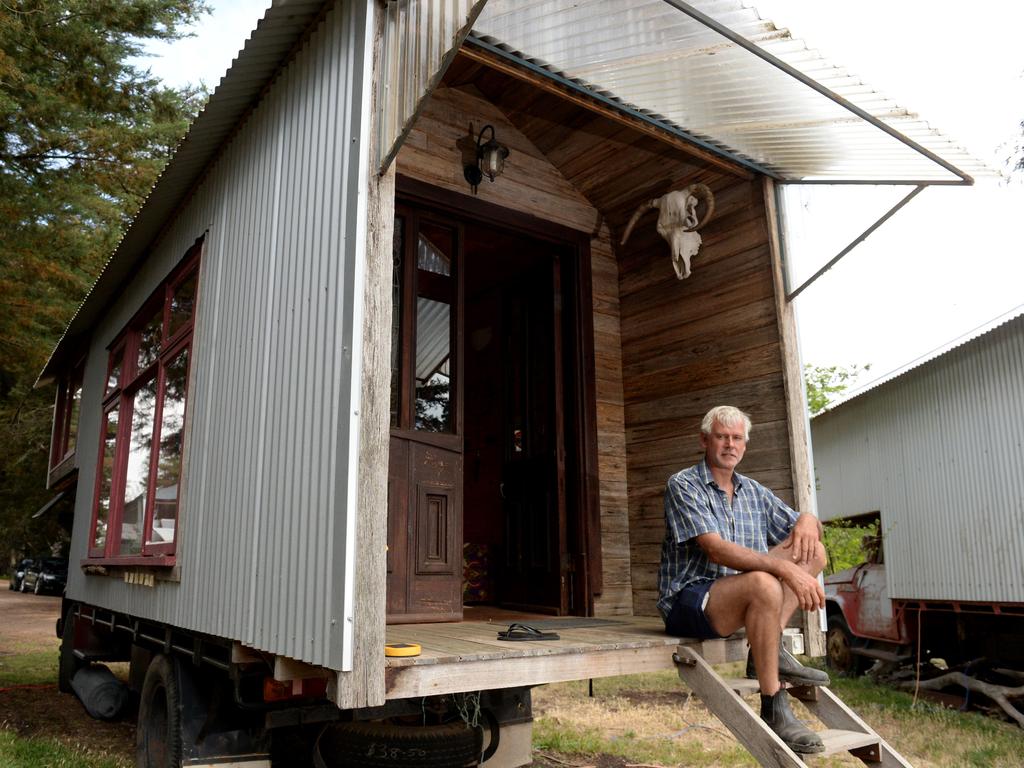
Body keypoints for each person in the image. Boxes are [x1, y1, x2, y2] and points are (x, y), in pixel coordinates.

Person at [658, 405, 829, 754]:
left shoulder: (753, 491)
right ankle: (774, 705)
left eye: (737, 438)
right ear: (705, 440)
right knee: (765, 582)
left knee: (815, 553)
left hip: (743, 596)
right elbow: (715, 550)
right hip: (689, 600)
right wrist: (782, 569)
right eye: (722, 436)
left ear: (745, 445)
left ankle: (767, 650)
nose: (729, 444)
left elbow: (802, 530)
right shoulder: (684, 484)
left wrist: (809, 519)